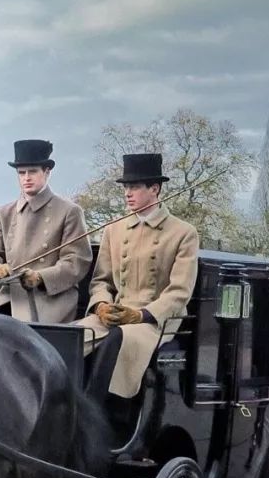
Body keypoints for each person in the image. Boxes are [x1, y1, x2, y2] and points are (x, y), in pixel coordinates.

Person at [75, 153, 199, 400]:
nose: (127, 193)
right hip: (114, 314)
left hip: (156, 321)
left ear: (155, 188)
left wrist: (140, 315)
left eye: (134, 187)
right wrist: (101, 306)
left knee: (119, 340)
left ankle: (106, 409)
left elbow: (179, 292)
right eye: (125, 187)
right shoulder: (114, 229)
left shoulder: (184, 233)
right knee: (70, 337)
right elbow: (101, 281)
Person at [0, 139, 91, 324]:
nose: (26, 178)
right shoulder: (3, 213)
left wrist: (41, 277)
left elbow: (76, 262)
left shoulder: (69, 211)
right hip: (7, 298)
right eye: (21, 173)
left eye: (32, 171)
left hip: (50, 300)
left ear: (47, 172)